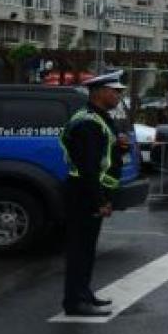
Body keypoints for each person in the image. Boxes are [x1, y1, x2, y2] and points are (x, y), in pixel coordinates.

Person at [59, 70, 129, 317]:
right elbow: (88, 167)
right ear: (100, 92)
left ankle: (84, 293)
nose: (119, 96)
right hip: (83, 193)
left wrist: (120, 148)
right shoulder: (88, 122)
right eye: (115, 91)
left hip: (88, 191)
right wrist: (99, 200)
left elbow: (104, 158)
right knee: (79, 250)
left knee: (87, 249)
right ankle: (74, 302)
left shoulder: (99, 118)